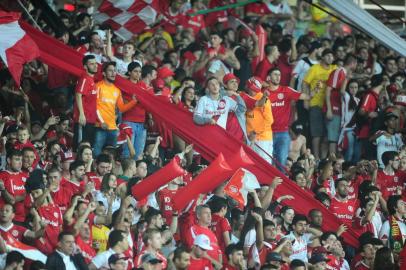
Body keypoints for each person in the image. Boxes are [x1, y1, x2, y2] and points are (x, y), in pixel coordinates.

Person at [266, 67, 309, 168]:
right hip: (266, 133)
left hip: (283, 132)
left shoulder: (286, 90)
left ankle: (281, 183)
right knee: (268, 161)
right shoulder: (263, 92)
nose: (278, 77)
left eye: (279, 75)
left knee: (282, 162)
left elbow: (306, 96)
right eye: (275, 74)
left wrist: (315, 90)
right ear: (268, 77)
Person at [94, 62, 137, 157]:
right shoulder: (98, 87)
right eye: (110, 70)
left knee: (112, 156)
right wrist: (101, 122)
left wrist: (133, 102)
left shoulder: (116, 91)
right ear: (104, 73)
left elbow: (121, 108)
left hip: (112, 128)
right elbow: (94, 106)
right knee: (96, 154)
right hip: (100, 127)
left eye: (115, 71)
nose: (113, 73)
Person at [302, 48, 336, 159]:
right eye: (328, 56)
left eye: (332, 56)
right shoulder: (314, 68)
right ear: (322, 57)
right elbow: (305, 83)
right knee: (316, 134)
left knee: (328, 135)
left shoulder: (335, 69)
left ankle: (324, 158)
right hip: (315, 104)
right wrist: (306, 99)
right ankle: (316, 158)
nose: (330, 58)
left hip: (329, 106)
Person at [324, 54, 357, 155]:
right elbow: (328, 90)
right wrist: (329, 109)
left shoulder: (345, 75)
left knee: (331, 137)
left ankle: (326, 159)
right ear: (353, 63)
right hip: (333, 109)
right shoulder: (339, 71)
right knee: (333, 138)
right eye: (356, 64)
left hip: (339, 110)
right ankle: (331, 162)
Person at [122, 65, 156, 160]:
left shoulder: (142, 85)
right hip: (128, 121)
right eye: (135, 71)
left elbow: (148, 103)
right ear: (129, 72)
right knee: (127, 152)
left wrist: (150, 117)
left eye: (139, 72)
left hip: (142, 123)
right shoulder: (125, 84)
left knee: (139, 153)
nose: (138, 74)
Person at [245, 76, 274, 164]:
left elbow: (269, 120)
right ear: (247, 86)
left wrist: (255, 132)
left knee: (264, 164)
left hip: (262, 138)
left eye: (256, 89)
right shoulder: (245, 97)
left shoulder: (264, 99)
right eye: (252, 88)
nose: (253, 91)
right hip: (249, 138)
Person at [73, 55, 98, 148]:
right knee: (81, 147)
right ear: (85, 67)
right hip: (84, 120)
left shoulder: (91, 79)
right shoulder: (85, 78)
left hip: (90, 120)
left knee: (88, 147)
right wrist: (82, 114)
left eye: (96, 63)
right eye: (92, 64)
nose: (95, 65)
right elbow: (78, 94)